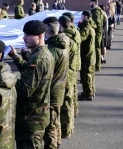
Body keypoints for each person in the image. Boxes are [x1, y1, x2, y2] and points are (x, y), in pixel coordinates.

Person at [8, 21, 54, 149]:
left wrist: (5, 78)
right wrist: (16, 58)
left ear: (39, 36)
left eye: (28, 35)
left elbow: (25, 89)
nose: (24, 38)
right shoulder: (43, 53)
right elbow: (32, 74)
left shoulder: (38, 58)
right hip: (37, 113)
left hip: (31, 117)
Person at [43, 17, 70, 149]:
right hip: (60, 87)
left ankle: (53, 145)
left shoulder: (52, 50)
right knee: (56, 118)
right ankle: (58, 141)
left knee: (51, 123)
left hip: (53, 90)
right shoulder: (63, 43)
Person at [58, 14, 80, 138]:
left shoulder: (66, 39)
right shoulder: (75, 33)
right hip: (74, 68)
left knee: (66, 100)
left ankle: (67, 129)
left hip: (68, 71)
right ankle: (70, 125)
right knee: (71, 96)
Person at [78, 11, 96, 101]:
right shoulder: (91, 26)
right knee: (91, 75)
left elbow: (80, 38)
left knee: (86, 76)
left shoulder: (86, 28)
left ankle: (88, 94)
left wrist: (78, 30)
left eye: (82, 16)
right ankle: (91, 91)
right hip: (91, 55)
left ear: (85, 17)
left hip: (86, 55)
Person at [90, 0, 105, 71]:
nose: (89, 4)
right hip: (99, 33)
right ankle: (97, 65)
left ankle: (97, 65)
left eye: (91, 3)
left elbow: (97, 24)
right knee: (97, 49)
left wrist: (92, 28)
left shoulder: (96, 12)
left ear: (94, 3)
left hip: (96, 33)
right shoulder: (99, 11)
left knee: (96, 49)